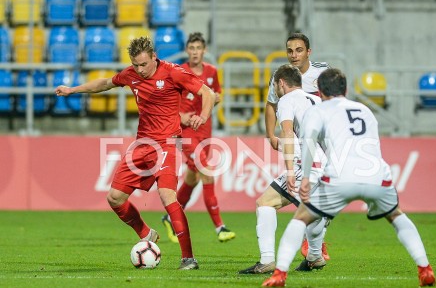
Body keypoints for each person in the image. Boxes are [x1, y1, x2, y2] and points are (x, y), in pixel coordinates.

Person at [262, 68, 436, 287]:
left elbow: (307, 145)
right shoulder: (365, 110)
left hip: (340, 176)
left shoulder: (318, 111)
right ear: (345, 89)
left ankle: (280, 274)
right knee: (397, 216)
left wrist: (304, 177)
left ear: (319, 91)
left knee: (301, 218)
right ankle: (425, 269)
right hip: (376, 174)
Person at [55, 36, 215, 270]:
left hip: (167, 144)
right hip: (142, 145)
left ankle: (188, 258)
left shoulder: (173, 72)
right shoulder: (131, 74)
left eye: (144, 64)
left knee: (167, 195)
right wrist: (72, 90)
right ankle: (146, 234)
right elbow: (104, 84)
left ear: (153, 57)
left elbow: (207, 93)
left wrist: (204, 115)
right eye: (136, 65)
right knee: (115, 198)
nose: (140, 70)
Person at [239, 33, 330, 275]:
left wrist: (290, 170)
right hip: (326, 161)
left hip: (306, 163)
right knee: (308, 209)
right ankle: (315, 255)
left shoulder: (287, 100)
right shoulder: (315, 100)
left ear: (281, 84)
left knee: (265, 203)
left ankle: (268, 259)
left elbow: (287, 134)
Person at [161, 32, 236, 243]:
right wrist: (179, 116)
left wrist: (216, 98)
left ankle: (169, 217)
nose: (195, 52)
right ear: (187, 50)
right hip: (186, 133)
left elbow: (215, 96)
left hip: (205, 131)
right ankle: (220, 226)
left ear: (204, 51)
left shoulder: (212, 72)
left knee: (192, 178)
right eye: (191, 48)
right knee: (207, 171)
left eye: (198, 48)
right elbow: (166, 102)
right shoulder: (179, 72)